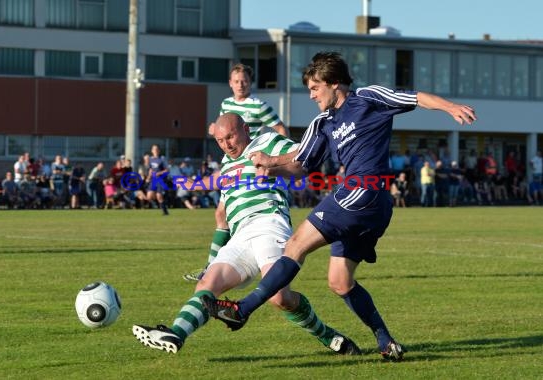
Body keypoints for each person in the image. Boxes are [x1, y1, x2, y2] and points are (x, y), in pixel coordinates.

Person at [203, 52, 476, 361]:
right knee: (340, 281)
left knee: (295, 245)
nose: (311, 95)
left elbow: (415, 97)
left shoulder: (368, 98)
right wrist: (273, 167)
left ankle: (243, 308)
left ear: (334, 84)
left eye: (315, 88)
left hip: (363, 191)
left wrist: (450, 107)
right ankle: (386, 341)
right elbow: (302, 164)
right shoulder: (322, 123)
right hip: (369, 205)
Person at [132, 113, 361, 356]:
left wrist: (273, 163)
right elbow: (221, 198)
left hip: (269, 223)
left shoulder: (267, 142)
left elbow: (304, 156)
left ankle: (329, 337)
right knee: (208, 284)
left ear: (245, 129)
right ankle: (175, 334)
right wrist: (190, 184)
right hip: (240, 235)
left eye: (230, 136)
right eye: (220, 141)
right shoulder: (227, 162)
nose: (227, 145)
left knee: (280, 299)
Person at [183, 63, 288, 281]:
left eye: (244, 81)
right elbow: (223, 128)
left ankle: (214, 268)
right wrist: (214, 130)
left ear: (250, 83)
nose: (240, 85)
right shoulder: (226, 103)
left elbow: (279, 127)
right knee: (221, 214)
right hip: (230, 163)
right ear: (230, 83)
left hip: (251, 165)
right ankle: (213, 267)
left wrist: (279, 158)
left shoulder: (258, 105)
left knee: (227, 214)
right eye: (236, 81)